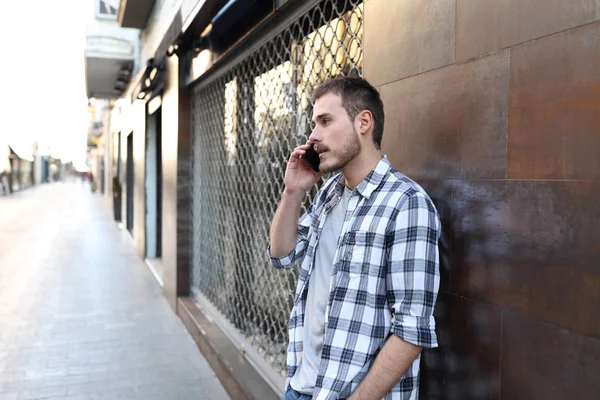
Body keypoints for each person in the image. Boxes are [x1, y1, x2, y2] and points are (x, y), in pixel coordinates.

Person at [267, 76, 441, 400]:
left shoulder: (406, 204)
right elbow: (282, 256)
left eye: (325, 121)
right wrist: (293, 191)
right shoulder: (329, 194)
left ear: (363, 122)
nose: (313, 136)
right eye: (313, 123)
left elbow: (411, 331)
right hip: (301, 388)